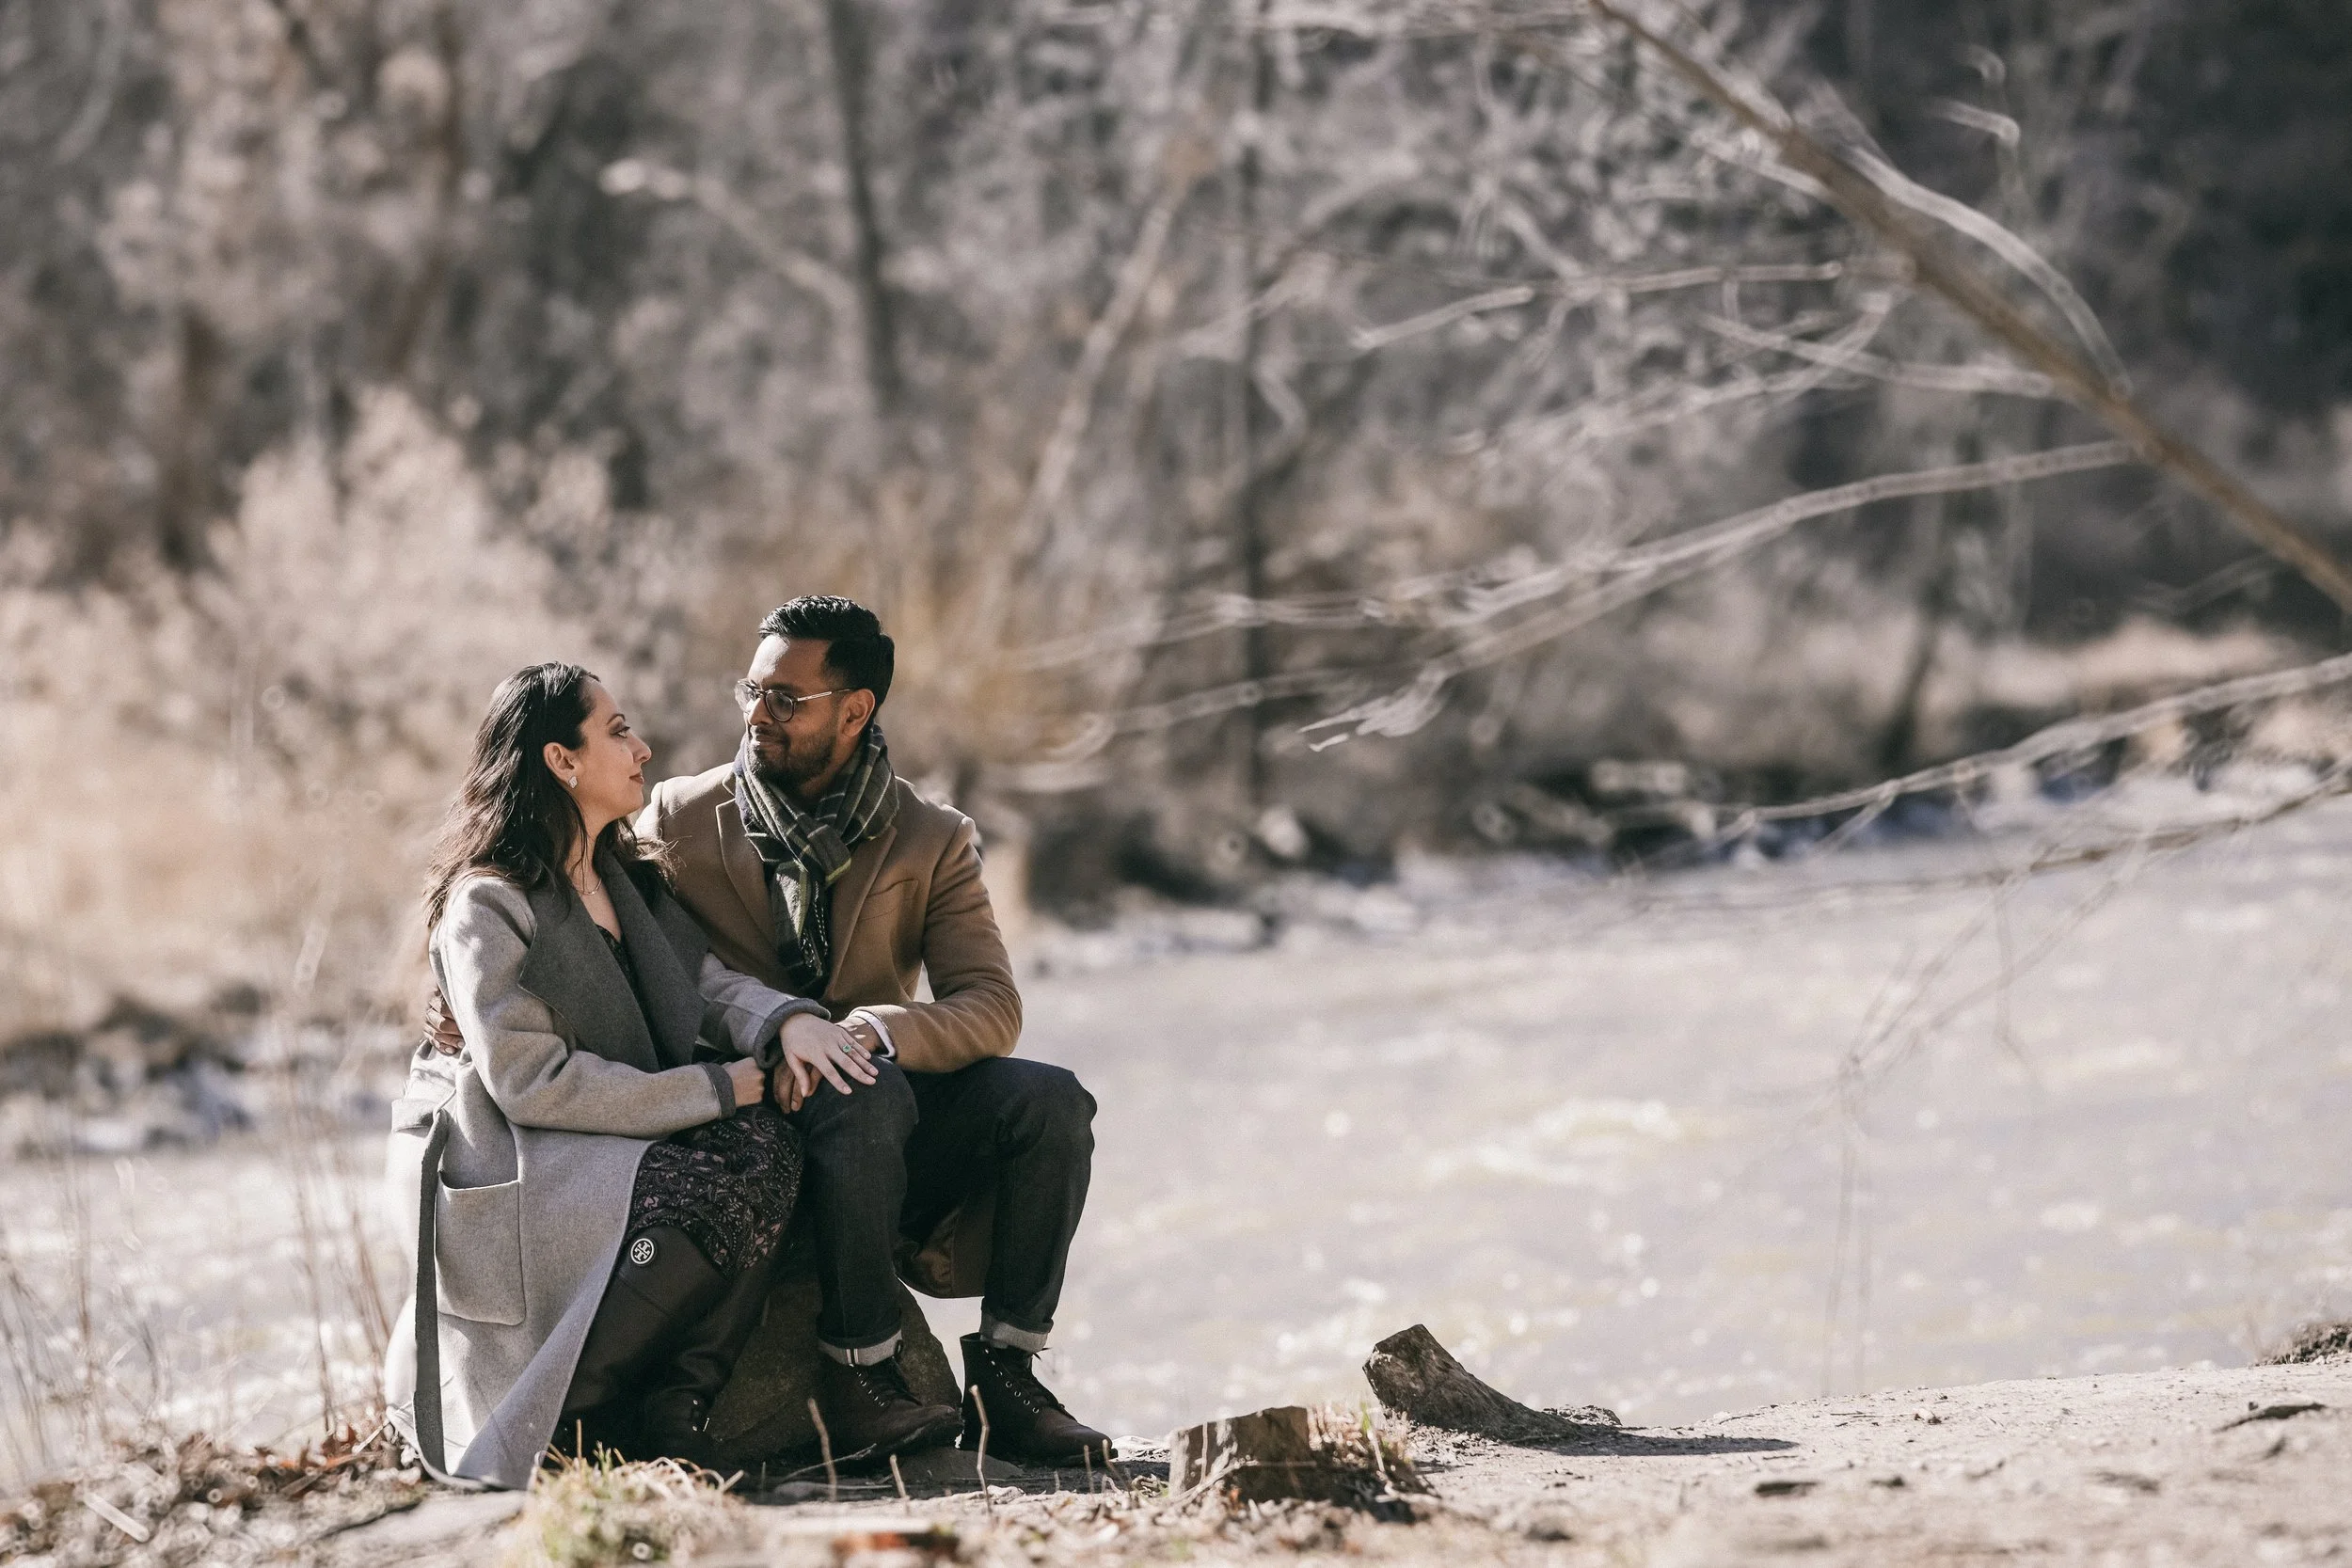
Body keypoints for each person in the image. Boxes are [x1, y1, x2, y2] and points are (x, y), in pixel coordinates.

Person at [634, 595, 1112, 1466]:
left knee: (1052, 1100)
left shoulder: (932, 837)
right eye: (752, 689)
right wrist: (783, 1030)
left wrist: (876, 1028)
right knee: (863, 1090)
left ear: (855, 711)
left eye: (786, 699)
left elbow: (992, 1005)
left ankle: (1006, 1374)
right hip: (744, 1128)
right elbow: (638, 958)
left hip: (879, 1125)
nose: (756, 713)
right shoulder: (676, 817)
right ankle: (859, 1374)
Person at [384, 663, 862, 1487]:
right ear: (561, 761)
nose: (641, 748)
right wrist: (712, 1090)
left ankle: (679, 1412)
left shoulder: (623, 877)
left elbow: (706, 985)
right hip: (515, 1160)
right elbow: (532, 1083)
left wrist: (790, 1023)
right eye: (616, 731)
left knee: (772, 1145)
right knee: (713, 1173)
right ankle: (575, 1418)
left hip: (600, 1145)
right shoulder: (488, 904)